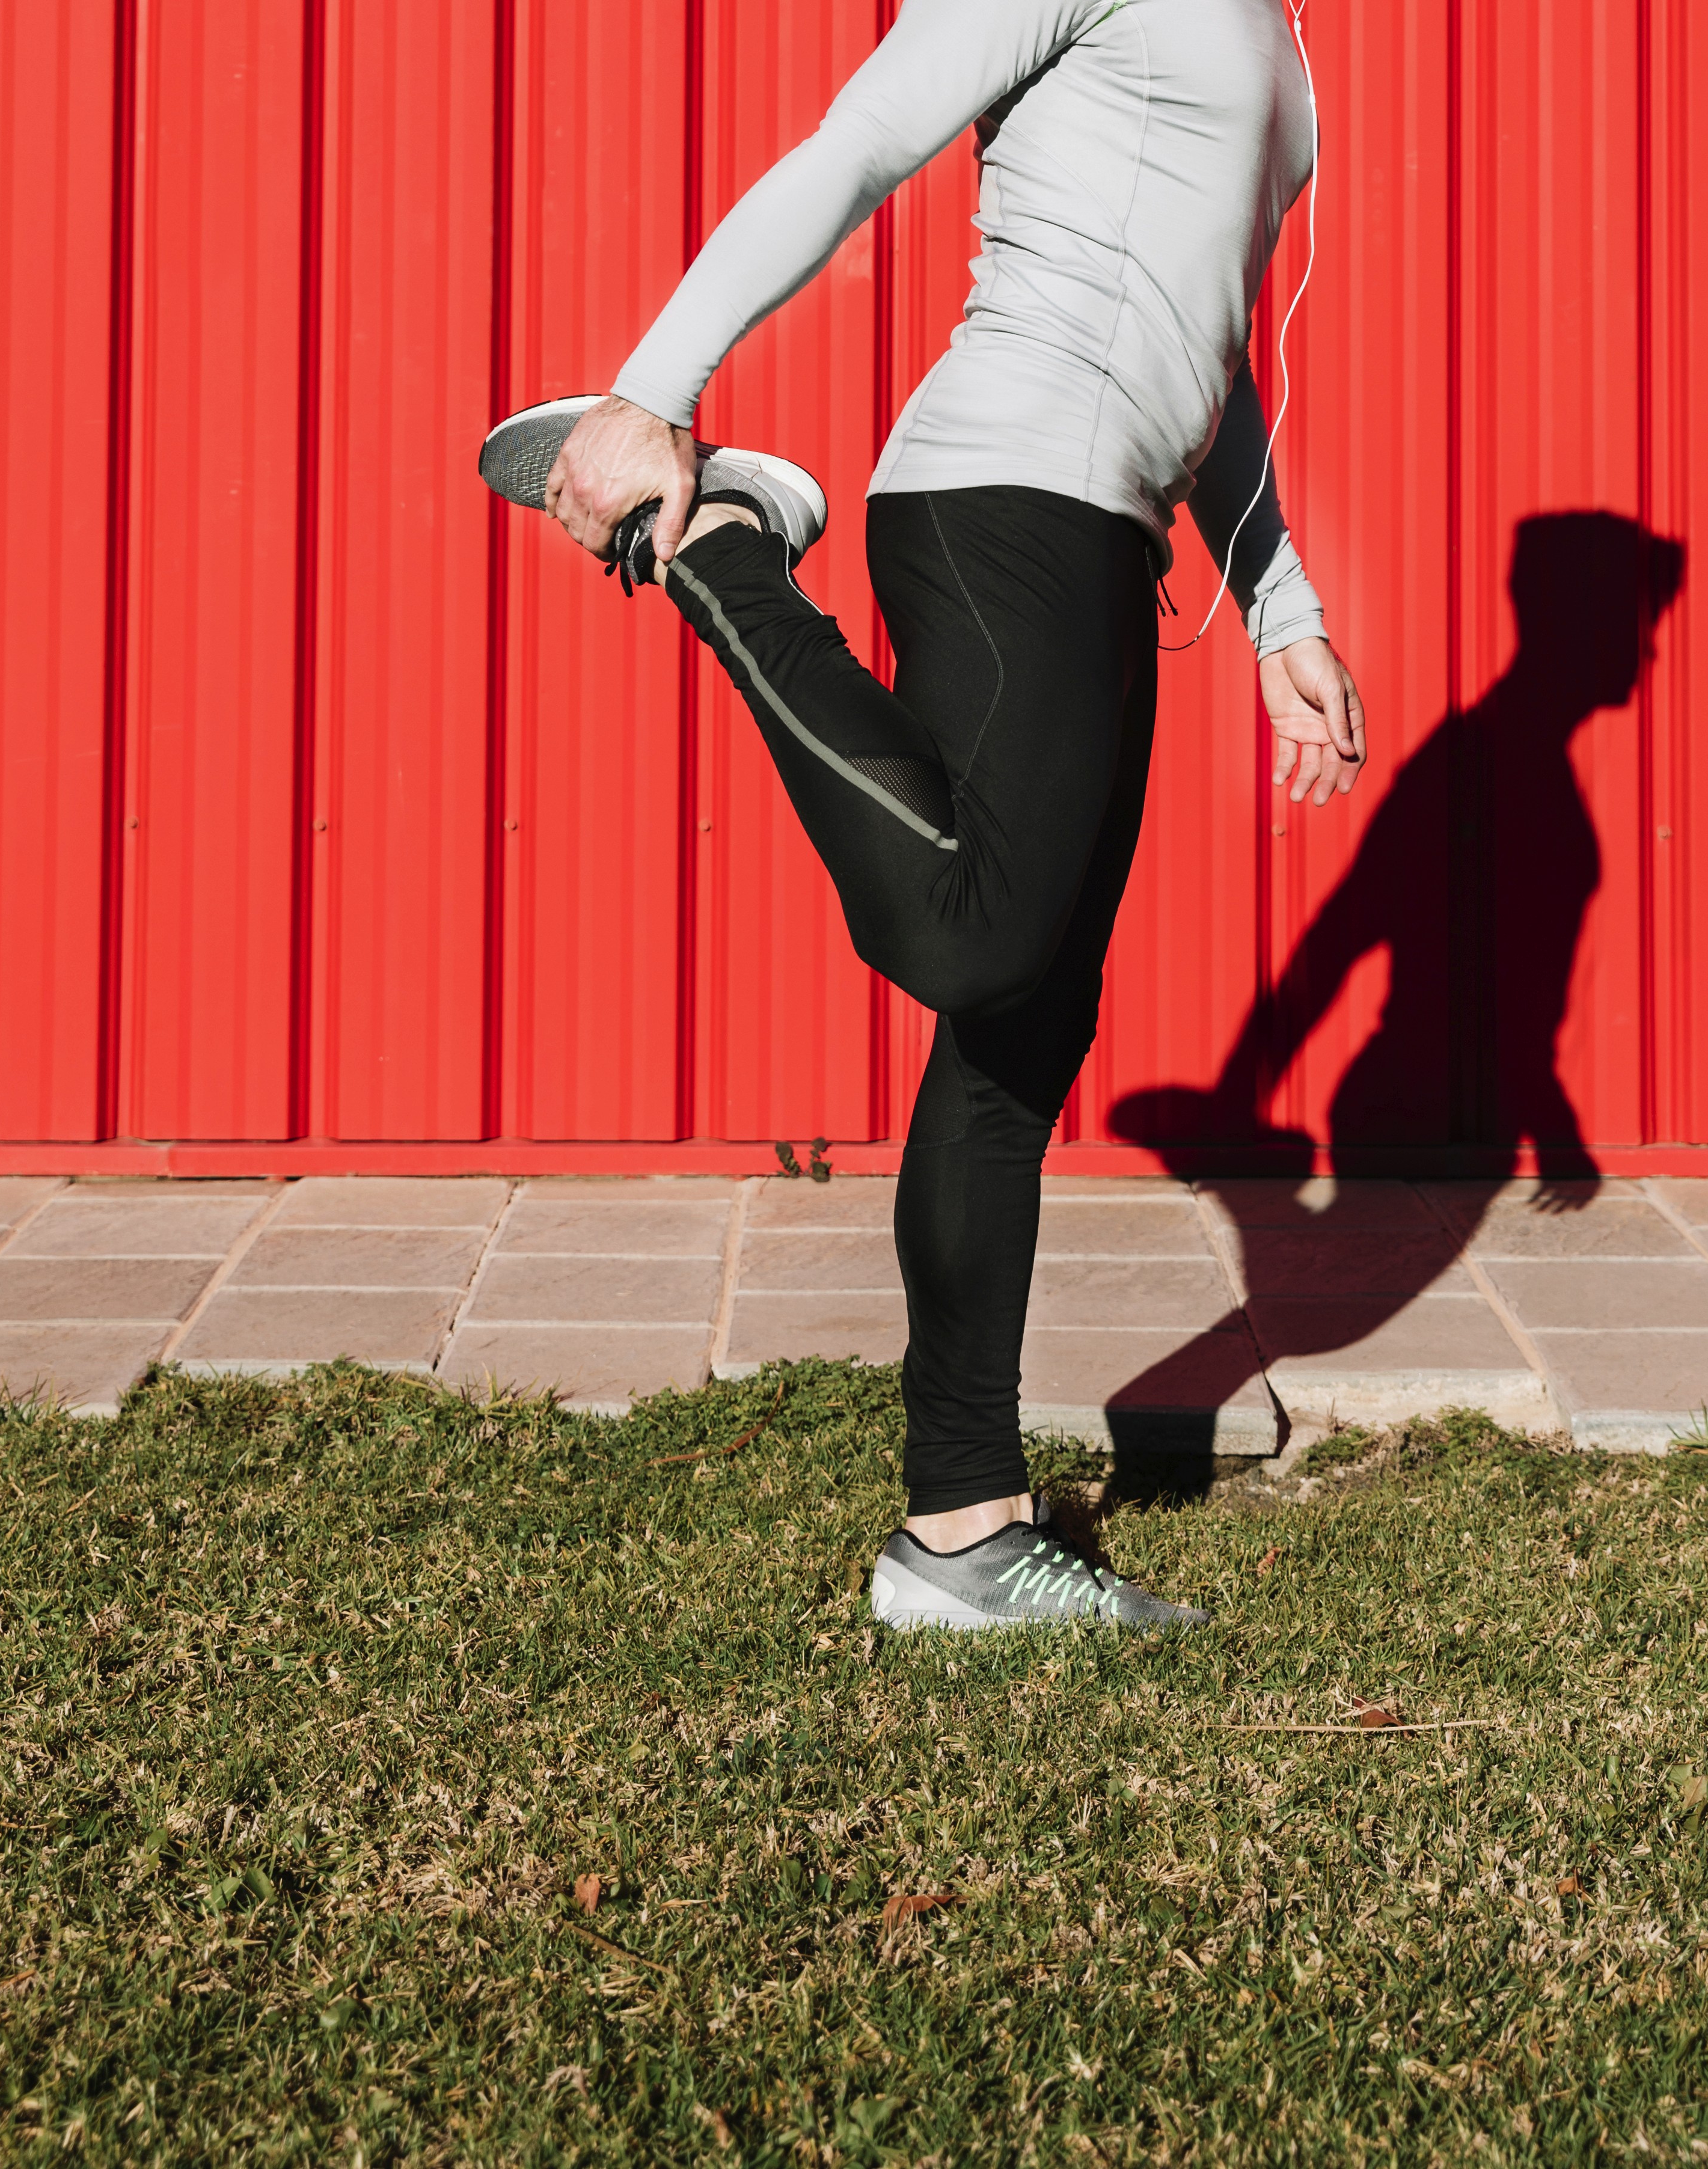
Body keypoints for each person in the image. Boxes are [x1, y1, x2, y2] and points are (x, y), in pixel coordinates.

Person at [486, 0, 1368, 1629]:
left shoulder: (1282, 53)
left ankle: (959, 1541)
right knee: (974, 940)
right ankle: (724, 546)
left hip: (1116, 546)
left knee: (1017, 1043)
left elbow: (1214, 349)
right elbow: (861, 143)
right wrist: (653, 392)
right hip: (997, 492)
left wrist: (1282, 609)